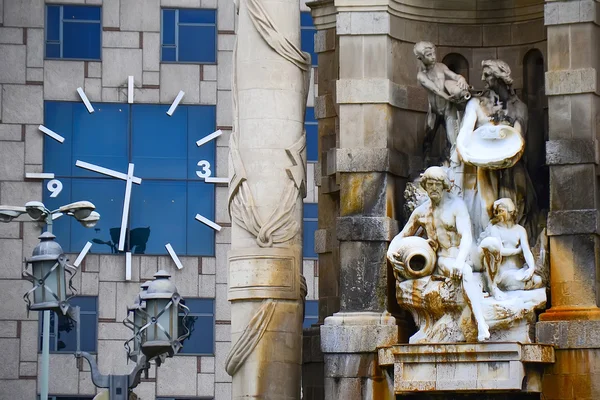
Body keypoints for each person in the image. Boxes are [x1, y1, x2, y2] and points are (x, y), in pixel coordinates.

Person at [388, 167, 490, 341]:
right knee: (465, 272)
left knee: (488, 250)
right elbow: (402, 235)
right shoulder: (421, 212)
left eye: (436, 184)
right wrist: (391, 251)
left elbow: (466, 235)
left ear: (444, 186)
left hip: (463, 254)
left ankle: (494, 291)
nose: (433, 188)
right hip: (444, 258)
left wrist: (460, 259)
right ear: (425, 186)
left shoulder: (457, 205)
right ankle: (482, 324)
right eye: (429, 185)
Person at [414, 42, 470, 168]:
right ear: (420, 58)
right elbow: (435, 89)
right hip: (434, 111)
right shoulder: (421, 75)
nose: (433, 57)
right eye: (428, 55)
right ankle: (425, 165)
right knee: (428, 139)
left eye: (433, 53)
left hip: (448, 109)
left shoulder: (441, 66)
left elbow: (453, 75)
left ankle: (454, 167)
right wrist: (449, 98)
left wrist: (461, 78)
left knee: (453, 138)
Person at [478, 198, 543, 301]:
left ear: (510, 211)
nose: (499, 214)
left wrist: (531, 268)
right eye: (498, 211)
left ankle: (518, 287)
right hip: (504, 273)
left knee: (538, 280)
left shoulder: (520, 230)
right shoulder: (495, 229)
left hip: (518, 270)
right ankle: (507, 288)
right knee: (521, 281)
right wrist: (517, 251)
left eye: (501, 211)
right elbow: (500, 251)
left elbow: (526, 251)